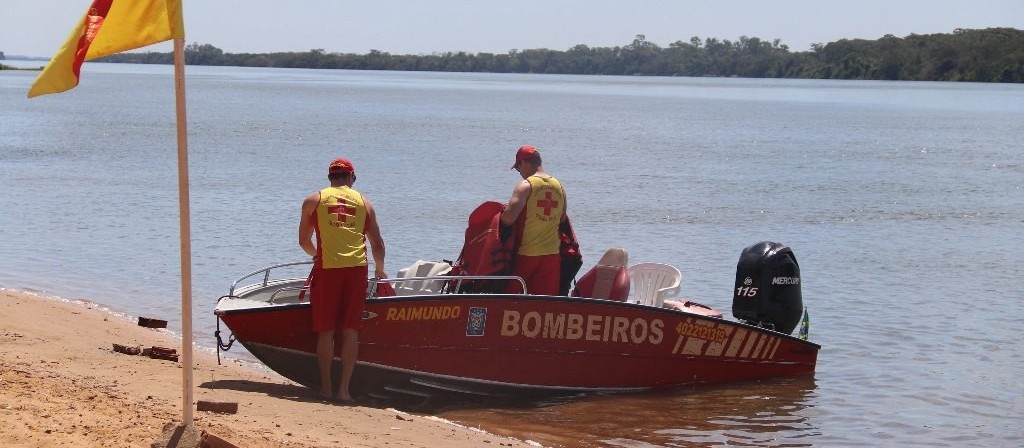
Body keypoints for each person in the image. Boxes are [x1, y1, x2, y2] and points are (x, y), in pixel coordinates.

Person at [298, 157, 386, 403]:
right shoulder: (364, 203)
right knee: (350, 330)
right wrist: (380, 270)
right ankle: (344, 391)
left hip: (327, 268)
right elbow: (377, 244)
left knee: (325, 330)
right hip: (356, 270)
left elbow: (304, 241)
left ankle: (326, 388)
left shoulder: (313, 200)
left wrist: (317, 255)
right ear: (351, 178)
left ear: (329, 178)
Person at [500, 145, 567, 295]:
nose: (520, 173)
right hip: (552, 256)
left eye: (518, 168)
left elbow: (508, 219)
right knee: (544, 304)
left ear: (523, 163)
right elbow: (562, 219)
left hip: (526, 254)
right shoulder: (559, 186)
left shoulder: (525, 186)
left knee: (510, 301)